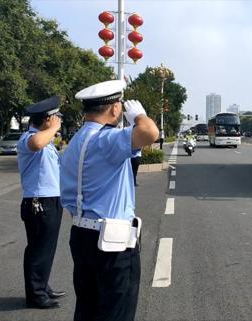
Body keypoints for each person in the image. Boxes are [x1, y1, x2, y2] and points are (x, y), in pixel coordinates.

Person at [60, 79, 159, 321]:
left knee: (87, 308)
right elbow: (150, 133)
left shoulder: (76, 141)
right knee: (116, 311)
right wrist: (139, 116)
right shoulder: (107, 139)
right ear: (115, 109)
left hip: (81, 234)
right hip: (111, 243)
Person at [17, 96, 66, 309]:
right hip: (39, 202)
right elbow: (37, 143)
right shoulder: (30, 138)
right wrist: (54, 129)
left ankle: (42, 286)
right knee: (39, 250)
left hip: (51, 199)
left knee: (47, 248)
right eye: (56, 117)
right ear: (48, 119)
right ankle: (36, 294)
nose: (59, 121)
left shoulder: (45, 140)